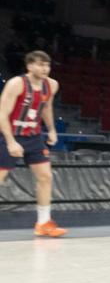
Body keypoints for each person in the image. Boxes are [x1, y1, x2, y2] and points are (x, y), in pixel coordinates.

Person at [0, 51, 66, 237]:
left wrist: (52, 130)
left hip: (34, 136)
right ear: (29, 66)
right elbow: (2, 114)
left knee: (45, 177)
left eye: (47, 65)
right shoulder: (16, 84)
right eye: (40, 64)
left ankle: (44, 223)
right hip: (9, 135)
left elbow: (46, 108)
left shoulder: (51, 85)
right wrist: (11, 142)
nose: (44, 68)